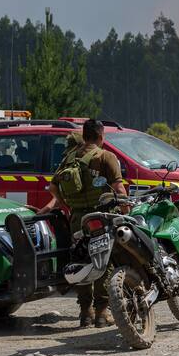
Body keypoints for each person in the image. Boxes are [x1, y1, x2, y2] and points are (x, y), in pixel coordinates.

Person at [38, 119, 129, 328]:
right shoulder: (105, 156)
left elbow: (53, 187)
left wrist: (65, 204)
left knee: (82, 261)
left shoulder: (70, 157)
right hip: (102, 218)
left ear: (84, 135)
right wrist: (126, 212)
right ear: (101, 136)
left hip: (78, 220)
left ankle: (85, 313)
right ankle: (102, 313)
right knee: (104, 262)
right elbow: (119, 188)